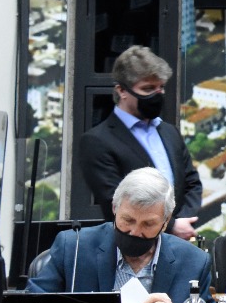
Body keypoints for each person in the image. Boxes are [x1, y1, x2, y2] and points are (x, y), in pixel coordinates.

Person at [29, 168, 212, 303]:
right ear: (115, 209)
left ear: (165, 222)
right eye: (128, 220)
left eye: (148, 224)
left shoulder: (194, 261)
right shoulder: (74, 247)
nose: (134, 231)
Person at [79, 45, 203, 241]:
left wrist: (184, 221)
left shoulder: (169, 132)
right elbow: (115, 201)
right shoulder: (97, 141)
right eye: (147, 89)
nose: (157, 94)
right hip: (133, 245)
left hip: (177, 246)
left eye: (160, 87)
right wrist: (170, 226)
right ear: (122, 90)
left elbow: (191, 183)